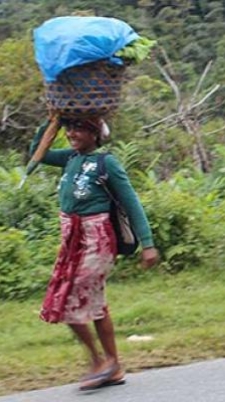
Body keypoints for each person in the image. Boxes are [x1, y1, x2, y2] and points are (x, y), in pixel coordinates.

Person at [32, 115, 159, 390]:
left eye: (79, 129)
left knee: (69, 299)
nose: (72, 134)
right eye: (70, 128)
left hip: (97, 240)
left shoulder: (106, 163)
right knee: (95, 304)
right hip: (71, 242)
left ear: (94, 134)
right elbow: (37, 154)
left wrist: (147, 244)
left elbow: (132, 203)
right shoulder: (69, 158)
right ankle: (112, 365)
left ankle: (98, 362)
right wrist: (50, 122)